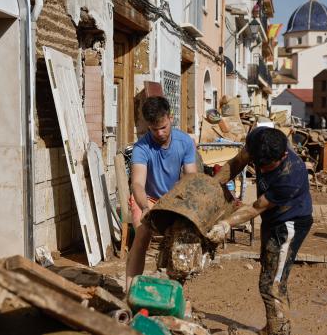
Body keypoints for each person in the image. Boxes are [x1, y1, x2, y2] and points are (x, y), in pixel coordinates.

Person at [208, 127, 313, 335]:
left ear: (283, 155)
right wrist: (211, 186)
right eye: (259, 164)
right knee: (268, 274)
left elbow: (256, 207)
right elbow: (237, 162)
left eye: (267, 167)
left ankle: (279, 332)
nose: (262, 171)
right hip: (272, 219)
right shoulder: (259, 139)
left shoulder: (291, 175)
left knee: (272, 284)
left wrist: (225, 224)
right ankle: (273, 327)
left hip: (289, 224)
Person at [126, 96, 197, 290]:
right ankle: (130, 291)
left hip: (174, 198)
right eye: (154, 129)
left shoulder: (185, 142)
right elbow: (138, 184)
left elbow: (191, 178)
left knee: (182, 243)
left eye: (163, 127)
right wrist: (145, 207)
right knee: (141, 235)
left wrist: (183, 204)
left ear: (170, 118)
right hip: (147, 198)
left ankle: (174, 292)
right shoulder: (141, 147)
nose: (159, 133)